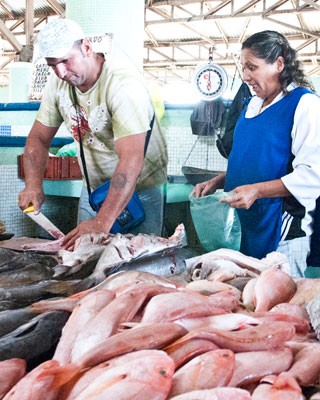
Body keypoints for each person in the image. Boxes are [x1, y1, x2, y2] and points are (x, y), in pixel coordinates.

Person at [18, 18, 168, 250]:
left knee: (135, 272)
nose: (60, 72)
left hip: (140, 194)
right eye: (52, 65)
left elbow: (131, 159)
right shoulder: (58, 84)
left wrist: (101, 222)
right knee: (84, 267)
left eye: (66, 61)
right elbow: (38, 139)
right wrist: (33, 185)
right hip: (94, 193)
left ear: (87, 48)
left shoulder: (123, 85)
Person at [193, 30, 320, 277]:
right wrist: (219, 180)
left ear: (279, 64)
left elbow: (313, 174)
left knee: (277, 305)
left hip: (281, 229)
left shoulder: (305, 105)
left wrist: (258, 190)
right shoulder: (251, 105)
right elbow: (254, 159)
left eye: (252, 67)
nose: (246, 76)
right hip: (244, 225)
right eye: (243, 67)